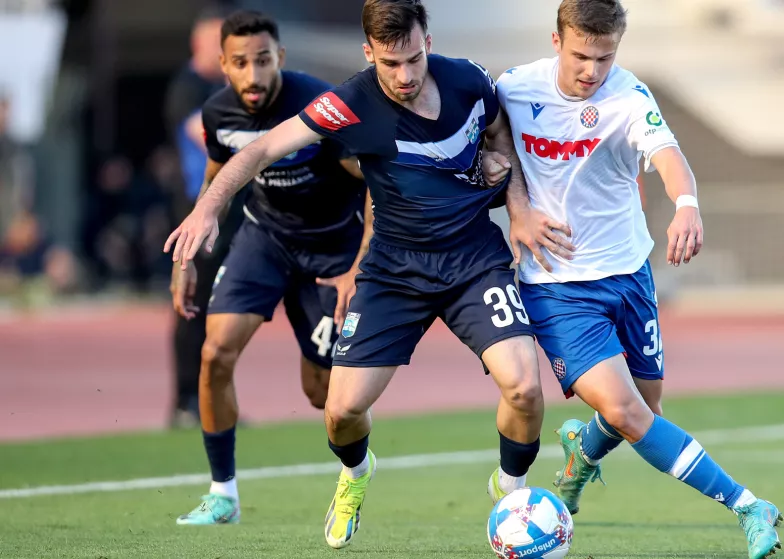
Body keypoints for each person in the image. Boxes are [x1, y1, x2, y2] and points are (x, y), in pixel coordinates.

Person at [165, 0, 550, 548]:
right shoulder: (348, 103)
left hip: (473, 261)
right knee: (340, 411)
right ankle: (355, 474)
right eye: (391, 64)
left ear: (428, 43)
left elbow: (497, 131)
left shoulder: (470, 81)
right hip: (393, 271)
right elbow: (262, 149)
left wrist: (517, 208)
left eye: (414, 59)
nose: (406, 75)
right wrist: (207, 208)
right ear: (369, 54)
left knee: (526, 390)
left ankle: (512, 492)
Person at [495, 1, 784, 558]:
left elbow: (669, 156)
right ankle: (749, 505)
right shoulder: (513, 87)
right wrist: (516, 208)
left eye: (605, 57)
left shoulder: (628, 95)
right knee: (628, 413)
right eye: (581, 55)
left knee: (644, 411)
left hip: (629, 274)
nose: (592, 71)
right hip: (555, 284)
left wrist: (687, 203)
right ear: (555, 41)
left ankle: (582, 449)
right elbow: (490, 138)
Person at [169, 10, 372, 526]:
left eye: (263, 60)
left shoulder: (320, 105)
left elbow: (374, 182)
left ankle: (359, 466)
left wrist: (359, 267)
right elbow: (217, 179)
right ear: (223, 65)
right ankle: (223, 495)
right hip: (265, 240)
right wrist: (189, 253)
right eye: (241, 63)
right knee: (215, 353)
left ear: (279, 57)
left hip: (332, 248)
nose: (254, 75)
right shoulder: (218, 114)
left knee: (322, 394)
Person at [163, 6, 238, 428]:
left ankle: (215, 401)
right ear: (198, 44)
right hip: (194, 210)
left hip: (227, 211)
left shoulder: (225, 87)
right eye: (216, 44)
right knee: (191, 305)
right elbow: (208, 137)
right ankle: (184, 401)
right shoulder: (187, 88)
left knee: (224, 310)